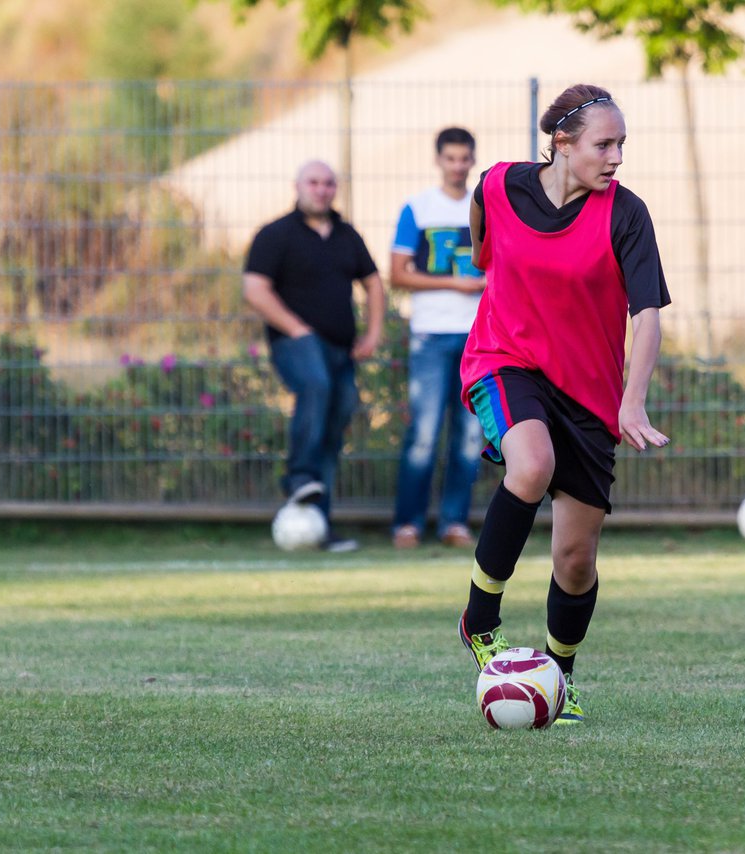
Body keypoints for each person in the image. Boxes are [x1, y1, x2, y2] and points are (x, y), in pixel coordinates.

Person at [455, 84, 672, 724]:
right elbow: (479, 221)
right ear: (563, 144)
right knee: (529, 465)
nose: (617, 158)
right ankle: (480, 617)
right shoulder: (499, 185)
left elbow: (648, 316)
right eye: (604, 145)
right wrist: (484, 260)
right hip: (506, 359)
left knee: (575, 562)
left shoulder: (626, 214)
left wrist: (632, 404)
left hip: (590, 394)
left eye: (621, 145)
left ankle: (560, 676)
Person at [243, 160, 385, 553]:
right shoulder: (276, 234)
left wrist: (373, 333)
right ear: (298, 186)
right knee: (316, 386)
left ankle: (320, 525)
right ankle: (298, 477)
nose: (321, 190)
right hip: (297, 343)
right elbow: (255, 289)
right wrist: (296, 328)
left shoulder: (346, 236)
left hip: (342, 348)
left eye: (328, 184)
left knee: (335, 421)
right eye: (313, 182)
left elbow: (373, 284)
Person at [389, 127, 486, 550]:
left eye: (465, 158)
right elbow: (397, 273)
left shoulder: (484, 207)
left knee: (469, 435)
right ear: (439, 160)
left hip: (478, 338)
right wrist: (454, 285)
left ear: (472, 160)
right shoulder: (417, 208)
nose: (458, 166)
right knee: (424, 433)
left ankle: (454, 523)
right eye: (451, 158)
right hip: (430, 335)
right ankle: (407, 523)